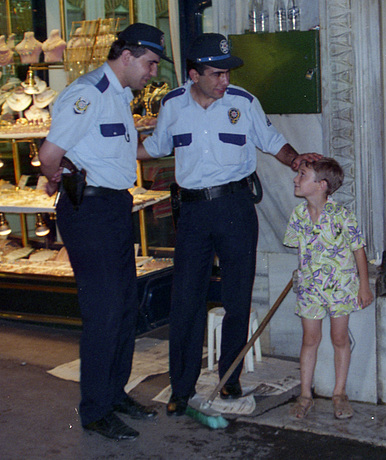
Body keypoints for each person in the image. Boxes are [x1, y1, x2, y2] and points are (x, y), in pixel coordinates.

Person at [138, 32, 322, 416]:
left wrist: (295, 159)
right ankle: (181, 386)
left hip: (236, 207)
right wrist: (111, 150)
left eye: (227, 72)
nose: (225, 80)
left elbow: (272, 141)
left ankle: (231, 378)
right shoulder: (172, 105)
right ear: (193, 74)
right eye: (216, 74)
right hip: (191, 213)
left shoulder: (243, 102)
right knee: (186, 298)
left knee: (237, 296)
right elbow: (155, 147)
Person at [39, 23, 172, 440]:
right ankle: (96, 409)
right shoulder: (89, 94)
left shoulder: (118, 95)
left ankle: (115, 394)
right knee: (104, 311)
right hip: (89, 209)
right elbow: (49, 154)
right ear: (128, 55)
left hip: (112, 206)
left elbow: (114, 150)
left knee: (125, 304)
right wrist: (59, 178)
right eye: (150, 63)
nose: (153, 71)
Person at [283, 158, 374, 420]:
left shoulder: (342, 215)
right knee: (309, 339)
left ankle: (339, 393)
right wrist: (300, 276)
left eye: (302, 175)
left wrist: (364, 286)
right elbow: (300, 249)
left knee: (339, 338)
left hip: (341, 288)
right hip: (311, 288)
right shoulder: (298, 215)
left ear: (321, 185)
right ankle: (305, 395)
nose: (295, 179)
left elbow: (359, 250)